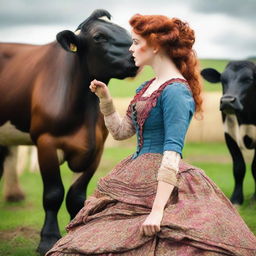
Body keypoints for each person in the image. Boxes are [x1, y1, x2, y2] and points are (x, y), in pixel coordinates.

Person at [46, 14, 256, 256]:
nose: (130, 48)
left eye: (135, 42)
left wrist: (157, 211)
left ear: (155, 45)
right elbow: (121, 131)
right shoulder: (146, 87)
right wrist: (106, 101)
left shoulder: (177, 91)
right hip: (133, 175)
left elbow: (172, 152)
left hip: (164, 179)